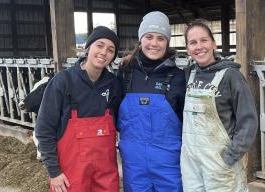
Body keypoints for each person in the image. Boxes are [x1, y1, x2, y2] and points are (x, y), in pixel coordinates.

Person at [35, 26, 121, 192]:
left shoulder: (113, 84)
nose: (104, 52)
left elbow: (121, 121)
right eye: (100, 45)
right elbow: (44, 129)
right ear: (88, 47)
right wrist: (54, 172)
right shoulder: (63, 81)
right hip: (70, 175)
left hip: (105, 174)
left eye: (111, 50)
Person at [181, 20, 258, 192]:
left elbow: (248, 121)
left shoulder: (231, 76)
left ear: (213, 43)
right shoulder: (188, 75)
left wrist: (230, 157)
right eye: (193, 43)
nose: (199, 46)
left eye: (204, 40)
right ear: (187, 49)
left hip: (220, 164)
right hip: (191, 164)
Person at [117, 11, 186, 192]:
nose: (154, 43)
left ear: (167, 42)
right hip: (134, 166)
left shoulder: (178, 77)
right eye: (149, 37)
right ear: (141, 39)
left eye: (161, 38)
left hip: (169, 166)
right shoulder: (124, 73)